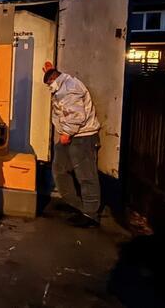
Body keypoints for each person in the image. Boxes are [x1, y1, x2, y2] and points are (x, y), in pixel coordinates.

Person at [42, 61, 102, 228]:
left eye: (49, 83)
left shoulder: (69, 87)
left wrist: (67, 133)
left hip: (82, 137)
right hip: (72, 136)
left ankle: (90, 214)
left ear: (55, 79)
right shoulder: (64, 84)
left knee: (86, 175)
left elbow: (76, 115)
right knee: (60, 170)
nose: (49, 87)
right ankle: (79, 206)